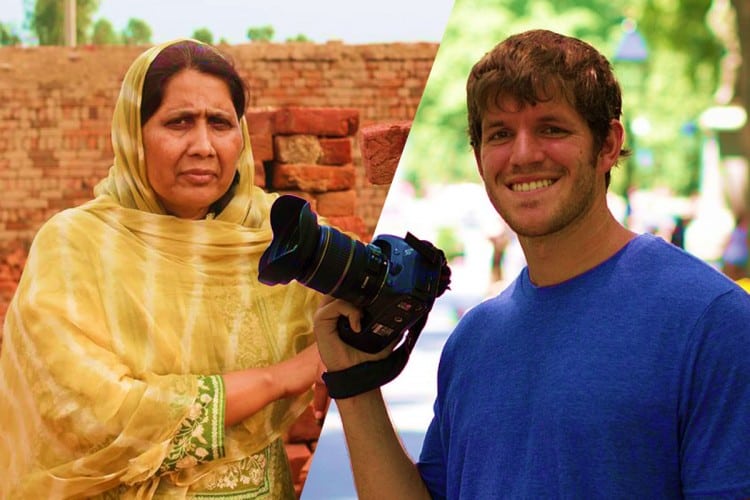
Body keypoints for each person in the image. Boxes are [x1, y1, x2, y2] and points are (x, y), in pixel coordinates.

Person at [313, 29, 750, 499]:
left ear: (607, 145)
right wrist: (354, 381)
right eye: (500, 134)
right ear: (480, 159)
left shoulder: (713, 321)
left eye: (551, 128)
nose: (523, 155)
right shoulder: (473, 339)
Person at [0, 39, 327, 498]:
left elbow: (370, 311)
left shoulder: (274, 237)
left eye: (220, 123)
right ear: (135, 135)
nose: (203, 146)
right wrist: (279, 379)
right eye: (179, 123)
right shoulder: (77, 245)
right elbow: (94, 413)